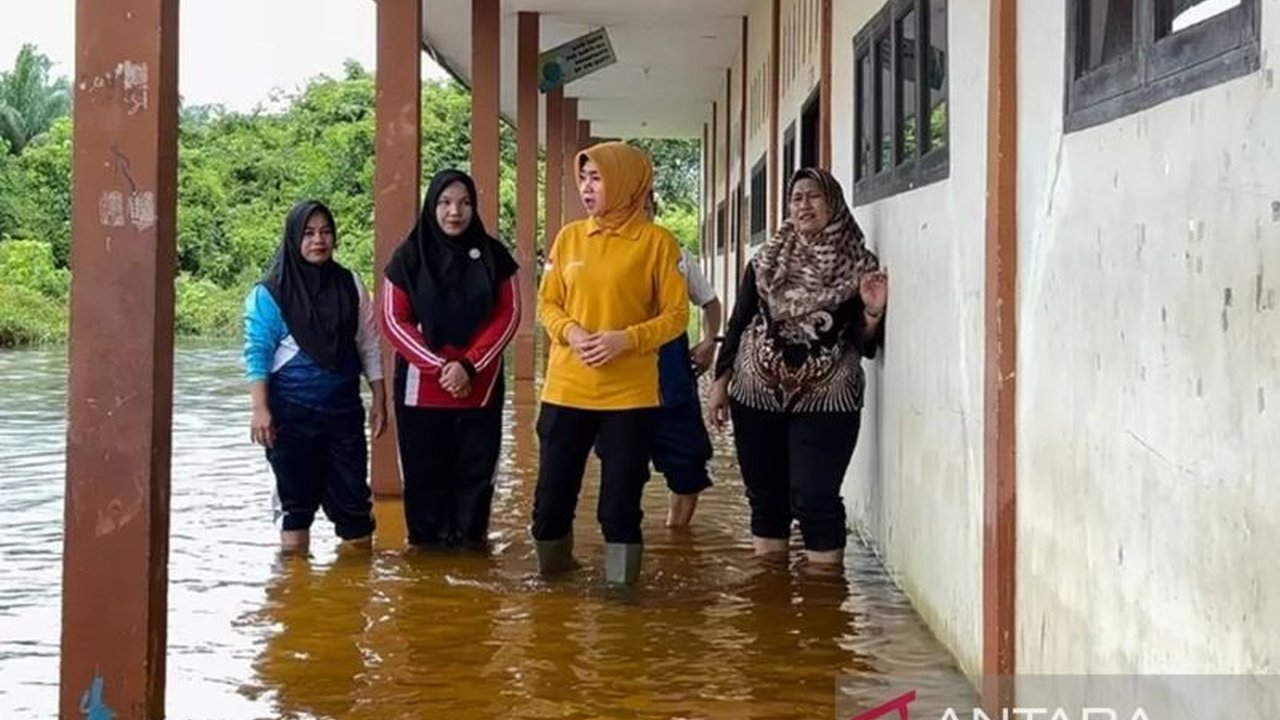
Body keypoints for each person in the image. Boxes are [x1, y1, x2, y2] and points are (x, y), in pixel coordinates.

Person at [708, 168, 888, 567]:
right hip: (756, 396)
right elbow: (739, 322)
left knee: (815, 496)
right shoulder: (765, 261)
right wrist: (720, 382)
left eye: (813, 197)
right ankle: (771, 604)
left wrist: (873, 312)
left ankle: (824, 610)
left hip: (828, 398)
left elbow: (864, 346)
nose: (803, 205)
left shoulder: (859, 265)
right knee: (766, 496)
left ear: (834, 202)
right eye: (796, 198)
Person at [533, 141, 689, 585]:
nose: (587, 187)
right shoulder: (569, 238)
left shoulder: (657, 242)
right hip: (566, 389)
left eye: (596, 178)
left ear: (624, 182)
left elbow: (677, 316)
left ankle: (623, 604)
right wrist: (572, 332)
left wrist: (628, 340)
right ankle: (553, 596)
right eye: (583, 177)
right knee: (550, 504)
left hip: (629, 395)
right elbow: (547, 303)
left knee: (619, 507)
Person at [380, 169, 520, 550]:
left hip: (480, 389)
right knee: (424, 484)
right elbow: (394, 321)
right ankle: (426, 581)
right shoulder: (408, 258)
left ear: (474, 207)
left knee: (476, 483)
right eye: (444, 203)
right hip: (421, 393)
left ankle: (471, 567)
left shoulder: (495, 257)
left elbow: (508, 316)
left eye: (464, 203)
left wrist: (469, 365)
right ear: (431, 206)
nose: (454, 212)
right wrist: (440, 367)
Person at [244, 200, 387, 554]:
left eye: (325, 232)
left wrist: (380, 399)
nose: (318, 240)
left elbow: (368, 343)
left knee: (355, 508)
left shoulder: (350, 284)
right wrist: (259, 409)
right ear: (294, 239)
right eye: (308, 233)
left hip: (344, 416)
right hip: (289, 419)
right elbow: (257, 354)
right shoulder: (269, 293)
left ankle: (352, 599)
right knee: (296, 509)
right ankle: (297, 600)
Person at [646, 191, 722, 528]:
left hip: (673, 380)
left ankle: (676, 535)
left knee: (688, 463)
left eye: (646, 207)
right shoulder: (596, 254)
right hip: (619, 387)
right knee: (621, 469)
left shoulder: (675, 255)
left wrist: (709, 344)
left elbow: (710, 302)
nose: (640, 213)